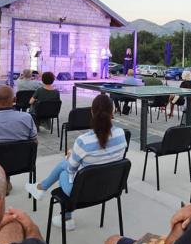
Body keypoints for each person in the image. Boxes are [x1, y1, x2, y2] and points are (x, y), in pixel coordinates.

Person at [26, 94, 127, 231]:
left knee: (63, 169)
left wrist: (70, 156)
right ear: (113, 111)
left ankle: (45, 192)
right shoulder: (121, 134)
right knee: (69, 166)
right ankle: (45, 194)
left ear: (91, 112)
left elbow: (70, 171)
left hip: (83, 193)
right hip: (110, 188)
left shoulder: (83, 141)